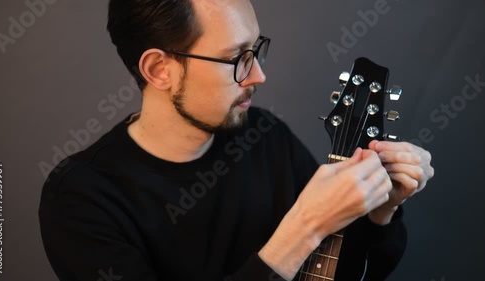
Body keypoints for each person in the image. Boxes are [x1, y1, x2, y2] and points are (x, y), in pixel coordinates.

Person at [38, 0, 434, 280]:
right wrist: (305, 226)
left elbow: (335, 272)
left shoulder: (265, 137)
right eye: (236, 58)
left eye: (256, 49)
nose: (258, 75)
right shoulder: (80, 197)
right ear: (160, 69)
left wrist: (379, 212)